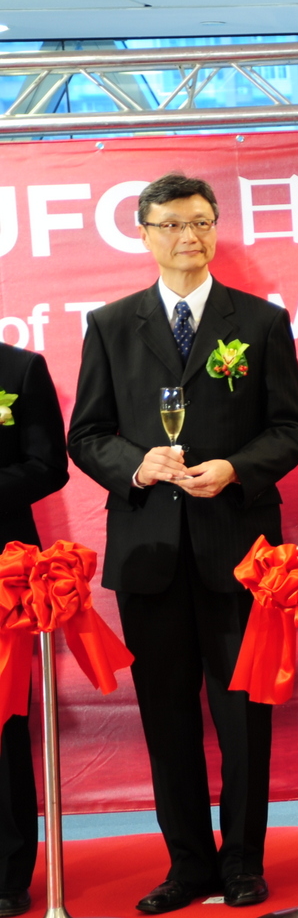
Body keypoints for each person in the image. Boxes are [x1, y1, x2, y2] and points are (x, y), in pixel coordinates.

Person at [67, 173, 298, 913]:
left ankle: (242, 861)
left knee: (243, 716)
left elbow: (292, 429)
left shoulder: (260, 322)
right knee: (166, 715)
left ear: (215, 229)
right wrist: (135, 465)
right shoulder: (112, 324)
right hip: (149, 550)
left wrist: (236, 468)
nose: (189, 236)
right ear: (145, 234)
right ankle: (187, 864)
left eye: (201, 222)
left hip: (237, 549)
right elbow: (88, 433)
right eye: (172, 224)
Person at [0, 342, 69, 918]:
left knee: (3, 726)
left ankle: (6, 873)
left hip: (1, 575)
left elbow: (48, 465)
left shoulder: (18, 368)